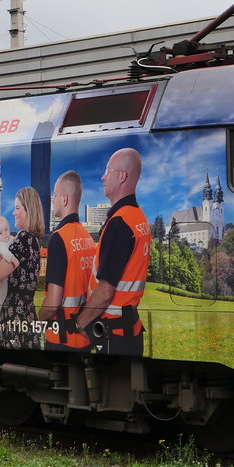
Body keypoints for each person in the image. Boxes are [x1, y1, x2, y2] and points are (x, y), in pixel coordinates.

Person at [76, 148, 150, 355]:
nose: (102, 176)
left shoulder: (120, 222)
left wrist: (80, 323)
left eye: (108, 171)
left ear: (122, 176)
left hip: (112, 334)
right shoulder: (138, 218)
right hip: (129, 329)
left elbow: (105, 293)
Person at [39, 171, 96, 351]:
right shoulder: (87, 237)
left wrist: (37, 319)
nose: (53, 200)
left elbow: (53, 302)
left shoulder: (59, 238)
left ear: (64, 199)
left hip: (62, 338)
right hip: (84, 335)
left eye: (55, 196)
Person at [0, 186, 44, 349]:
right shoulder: (34, 240)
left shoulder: (23, 238)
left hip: (14, 318)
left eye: (17, 208)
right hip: (26, 316)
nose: (13, 213)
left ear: (28, 210)